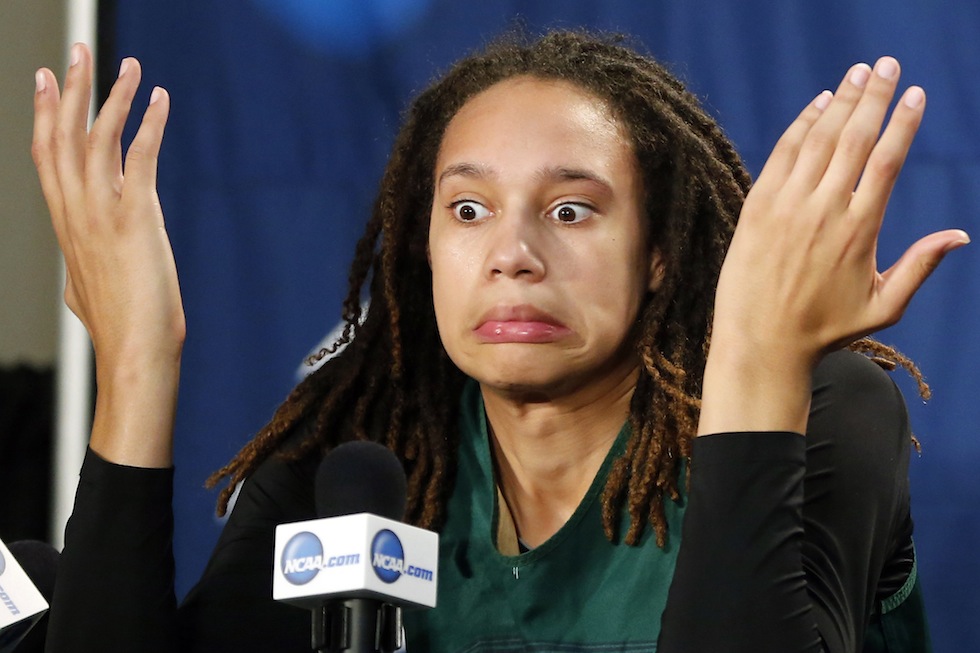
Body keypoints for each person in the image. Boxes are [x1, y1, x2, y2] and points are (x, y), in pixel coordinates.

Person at [32, 31, 967, 652]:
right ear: (424, 245)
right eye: (469, 210)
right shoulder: (361, 456)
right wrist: (137, 361)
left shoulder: (821, 405)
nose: (512, 254)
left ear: (657, 252)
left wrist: (759, 361)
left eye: (570, 210)